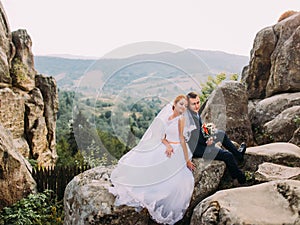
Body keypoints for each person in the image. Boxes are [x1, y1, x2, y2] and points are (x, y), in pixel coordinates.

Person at [109, 95, 196, 224]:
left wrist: (186, 160)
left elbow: (182, 139)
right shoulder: (167, 118)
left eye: (185, 105)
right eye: (181, 104)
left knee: (177, 179)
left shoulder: (181, 119)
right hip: (168, 146)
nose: (183, 107)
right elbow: (162, 137)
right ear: (175, 104)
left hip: (177, 147)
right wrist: (167, 146)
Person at [186, 91, 247, 184]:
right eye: (193, 104)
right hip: (197, 148)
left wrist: (209, 134)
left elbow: (199, 130)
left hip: (201, 141)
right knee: (227, 156)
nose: (197, 106)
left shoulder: (194, 112)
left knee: (221, 134)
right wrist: (210, 141)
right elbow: (195, 138)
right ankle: (239, 178)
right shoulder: (188, 118)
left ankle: (238, 155)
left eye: (198, 102)